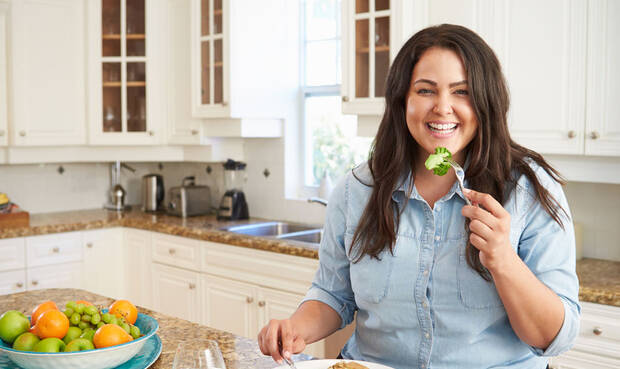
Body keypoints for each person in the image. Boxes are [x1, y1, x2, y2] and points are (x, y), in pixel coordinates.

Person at [258, 24, 580, 369]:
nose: (443, 107)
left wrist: (504, 260)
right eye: (426, 91)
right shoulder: (357, 190)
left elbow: (553, 337)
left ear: (486, 101)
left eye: (462, 92)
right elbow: (333, 295)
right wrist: (296, 328)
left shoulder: (531, 190)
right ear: (402, 101)